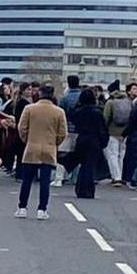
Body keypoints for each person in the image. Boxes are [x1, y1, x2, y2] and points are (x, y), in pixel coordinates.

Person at [16, 85, 67, 220]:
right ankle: (42, 209)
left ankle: (22, 208)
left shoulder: (29, 109)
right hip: (49, 149)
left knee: (26, 180)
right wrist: (55, 143)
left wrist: (27, 139)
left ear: (40, 94)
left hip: (32, 147)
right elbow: (62, 133)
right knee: (45, 181)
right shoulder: (59, 112)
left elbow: (22, 128)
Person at [63, 89, 108, 199]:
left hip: (82, 139)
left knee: (82, 164)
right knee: (89, 166)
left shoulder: (79, 111)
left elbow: (71, 115)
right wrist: (103, 141)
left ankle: (80, 188)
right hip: (94, 141)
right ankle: (88, 190)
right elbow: (103, 129)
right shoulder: (98, 112)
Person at [103, 86, 130, 186]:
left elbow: (105, 118)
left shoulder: (110, 103)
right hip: (125, 133)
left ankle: (116, 177)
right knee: (121, 155)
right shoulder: (128, 102)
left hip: (112, 132)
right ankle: (122, 176)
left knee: (112, 155)